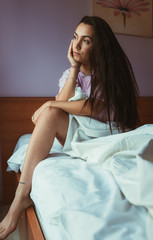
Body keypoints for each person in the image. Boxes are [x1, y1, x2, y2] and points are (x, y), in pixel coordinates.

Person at [0, 15, 139, 239]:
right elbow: (62, 108)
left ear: (99, 46)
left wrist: (49, 103)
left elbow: (92, 108)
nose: (76, 44)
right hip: (80, 134)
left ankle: (18, 200)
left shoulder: (109, 75)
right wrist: (73, 69)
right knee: (52, 115)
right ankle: (20, 197)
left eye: (86, 40)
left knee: (51, 111)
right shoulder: (70, 76)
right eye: (75, 37)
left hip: (104, 134)